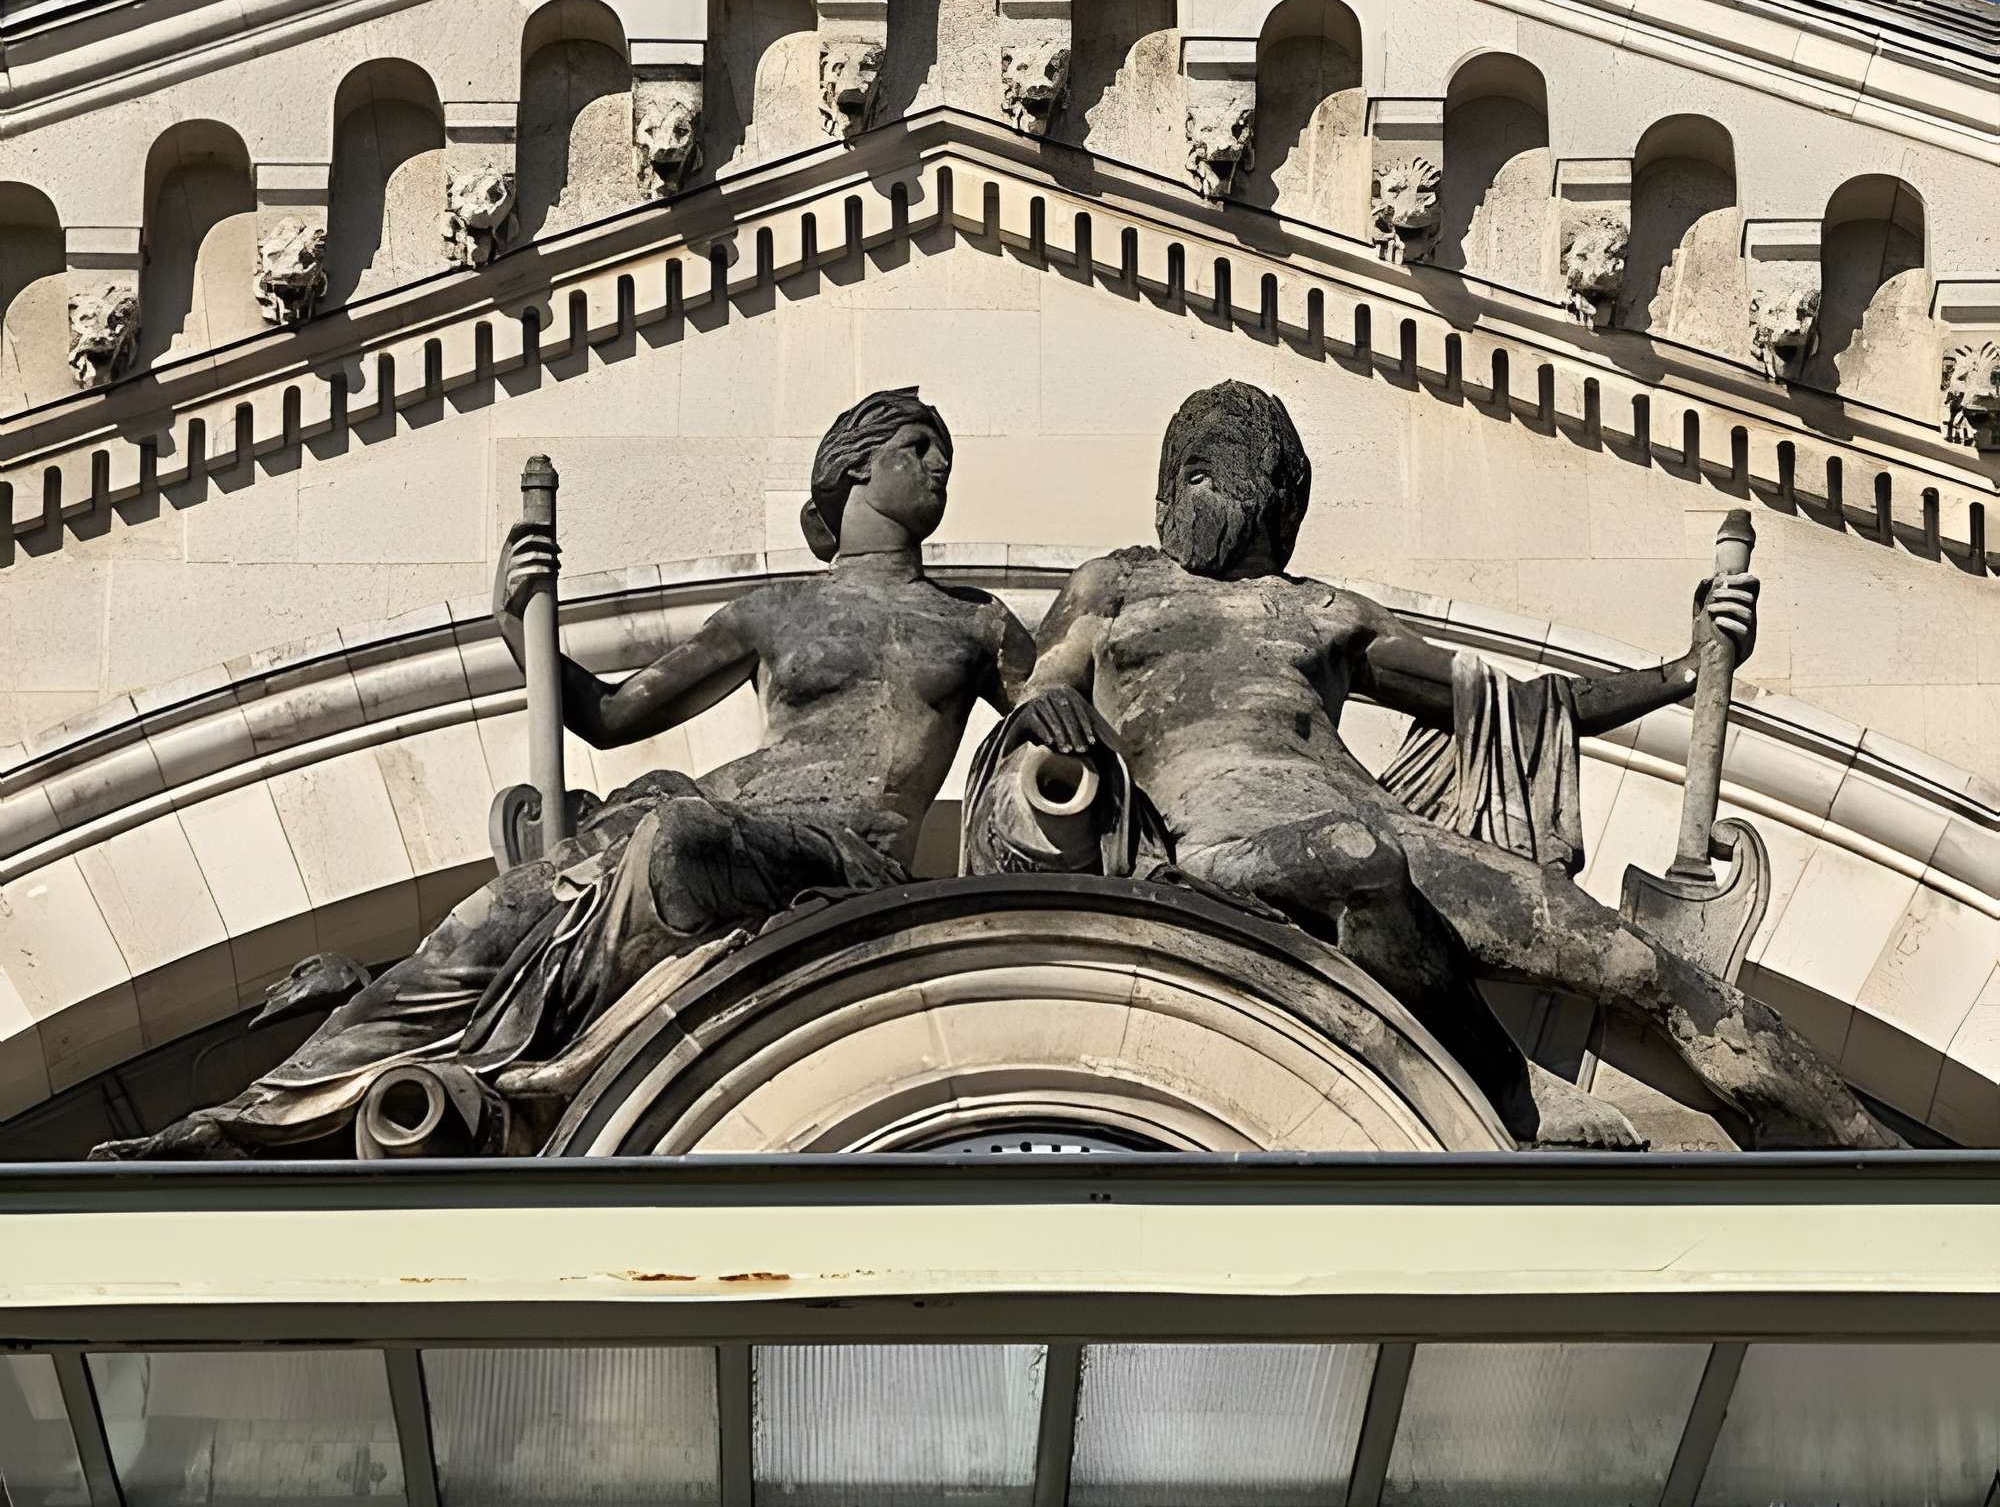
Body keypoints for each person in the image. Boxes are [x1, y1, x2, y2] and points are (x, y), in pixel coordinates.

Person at [96, 389, 1029, 1157]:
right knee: (486, 917)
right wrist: (519, 622)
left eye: (941, 453)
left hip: (841, 851)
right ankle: (248, 1119)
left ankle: (509, 1053)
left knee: (670, 840)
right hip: (731, 821)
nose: (940, 468)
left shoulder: (975, 624)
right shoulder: (775, 610)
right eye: (919, 448)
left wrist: (1057, 710)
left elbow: (1052, 727)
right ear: (857, 466)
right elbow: (612, 716)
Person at [1011, 380, 1891, 1150]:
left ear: (1274, 497)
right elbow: (1038, 689)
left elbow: (1508, 701)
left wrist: (1684, 671)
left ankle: (1876, 1152)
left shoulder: (1324, 611)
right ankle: (1508, 1087)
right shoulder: (1116, 585)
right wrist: (1043, 710)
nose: (1194, 496)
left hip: (1372, 826)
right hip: (1219, 839)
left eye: (1219, 475)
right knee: (1361, 861)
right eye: (1187, 476)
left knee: (1639, 965)